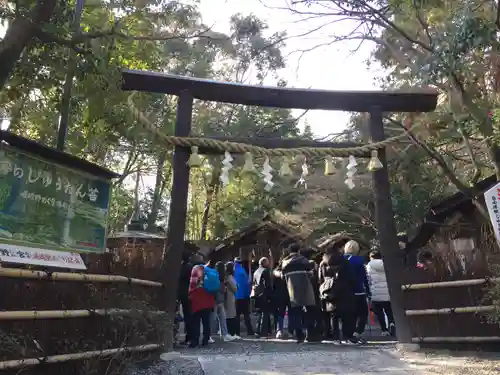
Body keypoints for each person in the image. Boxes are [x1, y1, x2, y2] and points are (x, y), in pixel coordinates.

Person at [318, 248, 357, 344]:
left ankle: (335, 337)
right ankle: (347, 336)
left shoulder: (323, 264)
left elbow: (320, 278)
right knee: (346, 315)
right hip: (345, 290)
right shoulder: (345, 263)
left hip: (330, 290)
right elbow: (352, 278)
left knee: (333, 315)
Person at [279, 244, 316, 343]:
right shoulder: (304, 260)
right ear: (298, 251)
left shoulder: (284, 262)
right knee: (310, 312)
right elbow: (311, 274)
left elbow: (281, 275)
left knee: (295, 314)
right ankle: (310, 335)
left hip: (292, 291)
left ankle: (299, 335)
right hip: (306, 289)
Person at [343, 240, 371, 344]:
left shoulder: (341, 260)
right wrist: (368, 290)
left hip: (345, 292)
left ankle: (349, 335)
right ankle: (357, 332)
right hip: (359, 290)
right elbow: (364, 277)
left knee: (350, 314)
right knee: (362, 313)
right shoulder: (359, 260)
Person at [366, 250, 395, 337]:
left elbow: (368, 279)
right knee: (389, 310)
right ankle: (392, 323)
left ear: (371, 257)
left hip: (375, 293)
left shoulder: (369, 266)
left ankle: (384, 329)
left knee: (379, 312)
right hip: (387, 292)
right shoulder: (387, 264)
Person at [188, 263, 215, 348]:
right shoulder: (208, 272)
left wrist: (189, 293)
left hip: (197, 300)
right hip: (208, 300)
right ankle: (205, 340)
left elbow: (192, 284)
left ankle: (195, 341)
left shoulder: (195, 270)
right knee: (206, 322)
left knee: (196, 322)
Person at [212, 261, 235, 342]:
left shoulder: (216, 275)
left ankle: (223, 334)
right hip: (218, 299)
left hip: (216, 299)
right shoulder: (222, 276)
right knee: (217, 318)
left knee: (218, 318)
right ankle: (223, 335)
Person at [234, 257, 255, 336]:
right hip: (245, 297)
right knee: (246, 315)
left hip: (236, 297)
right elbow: (248, 283)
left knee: (237, 316)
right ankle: (250, 331)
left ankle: (237, 332)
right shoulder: (244, 272)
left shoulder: (233, 272)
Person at [252, 257, 273, 337]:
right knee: (265, 313)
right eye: (267, 262)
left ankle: (261, 330)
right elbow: (268, 284)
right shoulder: (265, 271)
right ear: (264, 263)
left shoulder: (256, 271)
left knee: (261, 313)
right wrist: (270, 295)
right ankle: (263, 331)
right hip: (264, 294)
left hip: (257, 294)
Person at [177, 252, 194, 346]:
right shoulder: (190, 267)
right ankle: (189, 337)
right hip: (188, 293)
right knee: (188, 315)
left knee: (187, 315)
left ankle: (189, 337)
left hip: (184, 293)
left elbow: (179, 277)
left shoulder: (185, 267)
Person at [225, 262, 240, 338]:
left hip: (227, 297)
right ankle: (232, 333)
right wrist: (237, 286)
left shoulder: (225, 276)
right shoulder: (230, 277)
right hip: (230, 297)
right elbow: (234, 288)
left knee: (229, 315)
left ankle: (230, 332)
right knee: (231, 315)